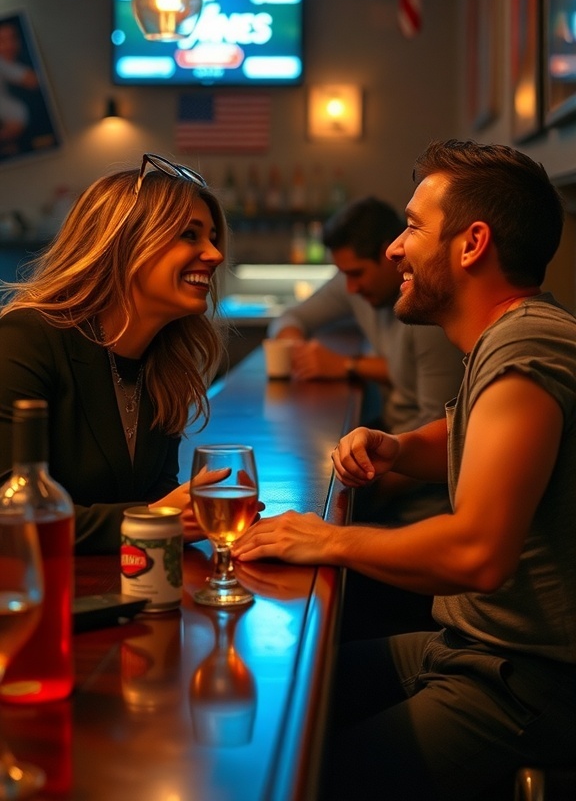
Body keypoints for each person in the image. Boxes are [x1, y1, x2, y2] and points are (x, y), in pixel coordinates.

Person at [233, 139, 576, 800]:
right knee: (286, 685)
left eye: (414, 227)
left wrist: (327, 539)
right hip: (470, 647)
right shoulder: (510, 335)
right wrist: (399, 446)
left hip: (530, 684)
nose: (394, 248)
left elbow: (479, 553)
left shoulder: (525, 348)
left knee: (296, 781)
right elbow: (467, 432)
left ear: (472, 244)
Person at [0, 153, 228, 554]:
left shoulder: (165, 361)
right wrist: (153, 519)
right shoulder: (25, 339)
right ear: (125, 243)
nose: (214, 254)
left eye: (212, 237)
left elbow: (157, 493)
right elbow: (10, 514)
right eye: (190, 235)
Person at [270, 195, 465, 526]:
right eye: (343, 274)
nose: (350, 287)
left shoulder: (426, 312)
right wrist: (294, 349)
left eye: (357, 273)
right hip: (392, 455)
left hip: (423, 504)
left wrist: (358, 495)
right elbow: (289, 318)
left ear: (390, 253)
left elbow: (447, 444)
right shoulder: (355, 285)